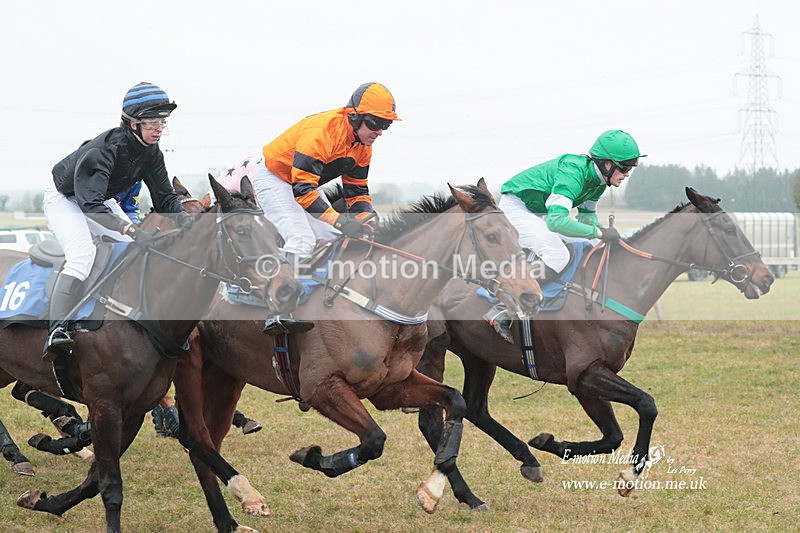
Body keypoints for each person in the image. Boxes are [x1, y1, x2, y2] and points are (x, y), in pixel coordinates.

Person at [42, 82, 194, 361]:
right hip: (66, 199)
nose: (159, 129)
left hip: (99, 199)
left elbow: (164, 199)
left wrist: (187, 220)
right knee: (82, 255)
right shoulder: (104, 150)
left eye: (162, 122)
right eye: (152, 123)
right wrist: (130, 228)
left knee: (131, 249)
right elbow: (90, 205)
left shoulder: (152, 152)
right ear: (133, 124)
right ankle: (56, 330)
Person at [252, 82, 400, 335]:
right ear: (354, 117)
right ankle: (278, 310)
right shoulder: (322, 132)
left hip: (302, 183)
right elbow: (302, 190)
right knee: (302, 240)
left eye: (385, 125)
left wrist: (368, 221)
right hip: (275, 179)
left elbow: (357, 191)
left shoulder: (363, 146)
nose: (379, 131)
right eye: (375, 123)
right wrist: (341, 221)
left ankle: (316, 300)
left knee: (331, 238)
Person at [485, 130, 646, 342]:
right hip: (517, 208)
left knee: (594, 243)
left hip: (540, 212)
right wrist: (599, 232)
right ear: (607, 164)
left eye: (631, 168)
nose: (627, 174)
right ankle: (502, 306)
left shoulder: (597, 181)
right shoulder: (573, 172)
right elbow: (556, 222)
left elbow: (586, 218)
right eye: (624, 167)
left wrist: (603, 236)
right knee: (558, 254)